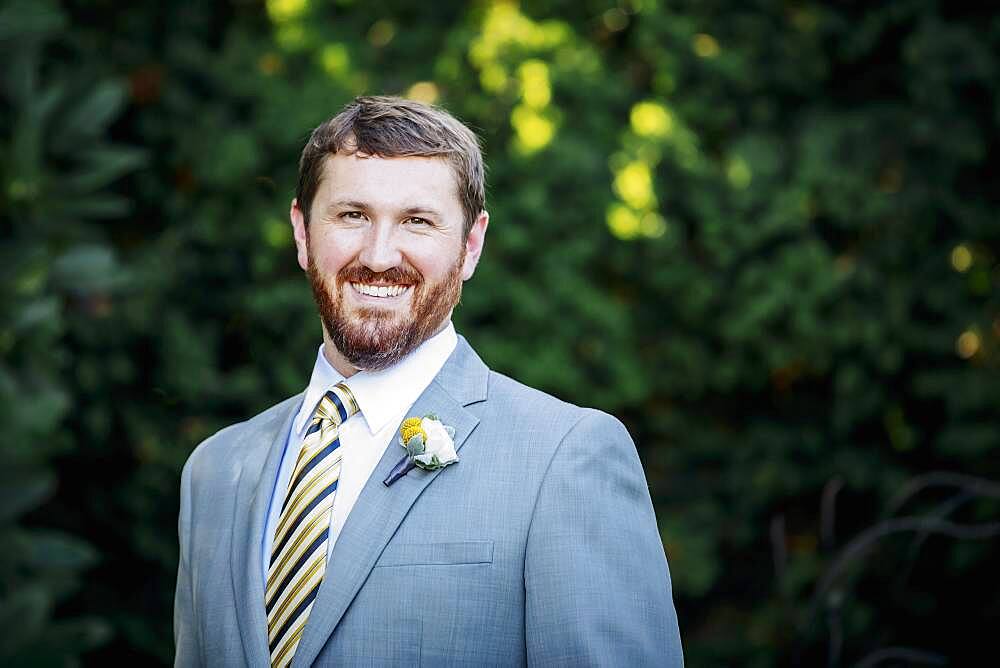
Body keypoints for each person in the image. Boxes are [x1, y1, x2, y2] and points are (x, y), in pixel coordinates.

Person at [173, 95, 683, 667]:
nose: (380, 254)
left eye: (417, 221)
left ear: (470, 245)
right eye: (351, 215)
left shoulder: (565, 458)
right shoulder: (215, 472)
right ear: (301, 232)